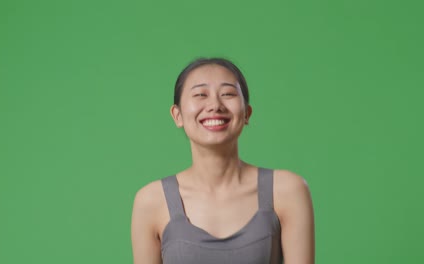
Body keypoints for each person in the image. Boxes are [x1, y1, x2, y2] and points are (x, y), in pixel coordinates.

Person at [131, 58, 314, 264]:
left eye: (228, 94)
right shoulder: (151, 201)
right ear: (177, 115)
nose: (215, 105)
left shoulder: (287, 189)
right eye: (200, 95)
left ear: (247, 113)